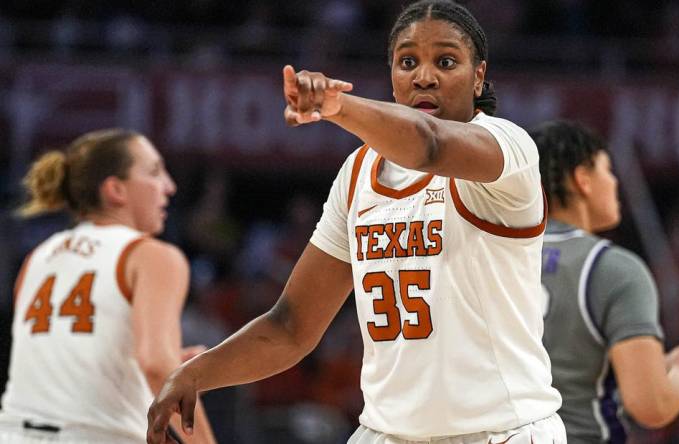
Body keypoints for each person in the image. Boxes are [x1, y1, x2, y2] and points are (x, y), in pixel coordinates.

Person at [148, 1, 566, 443]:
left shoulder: (508, 148)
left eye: (446, 61)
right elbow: (291, 326)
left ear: (478, 76)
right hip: (387, 433)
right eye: (408, 62)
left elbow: (429, 145)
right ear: (391, 75)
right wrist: (195, 373)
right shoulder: (359, 172)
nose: (424, 76)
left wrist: (337, 106)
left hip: (502, 431)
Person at [0, 129, 215, 444]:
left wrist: (152, 360)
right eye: (154, 172)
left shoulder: (37, 257)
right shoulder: (152, 255)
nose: (169, 186)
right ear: (116, 189)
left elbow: (61, 357)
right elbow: (157, 365)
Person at [531, 120, 679, 443]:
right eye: (607, 170)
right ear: (583, 179)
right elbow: (651, 406)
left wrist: (639, 368)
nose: (614, 182)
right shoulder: (614, 269)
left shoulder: (493, 257)